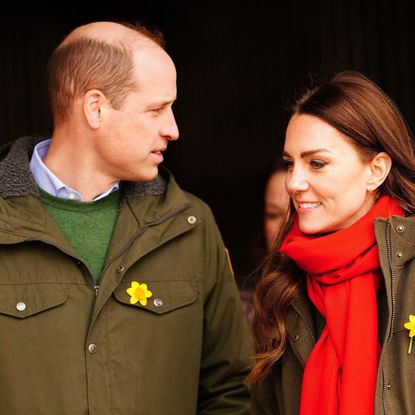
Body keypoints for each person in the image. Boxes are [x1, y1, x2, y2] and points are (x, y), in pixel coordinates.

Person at [0, 21, 252, 414]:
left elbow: (231, 391)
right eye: (156, 109)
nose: (174, 129)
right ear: (96, 108)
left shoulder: (190, 225)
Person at [249, 70, 415, 414]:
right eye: (289, 163)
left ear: (376, 170)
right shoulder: (282, 284)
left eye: (317, 163)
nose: (293, 182)